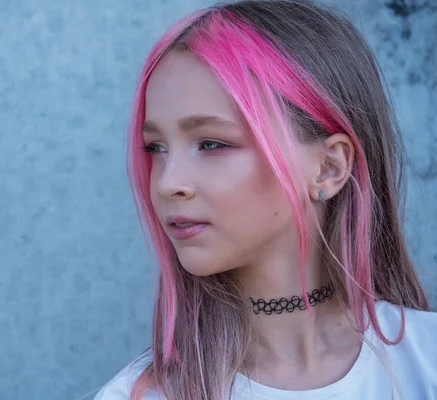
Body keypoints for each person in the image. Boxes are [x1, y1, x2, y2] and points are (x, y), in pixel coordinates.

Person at [95, 0, 437, 399]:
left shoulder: (426, 361)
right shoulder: (142, 394)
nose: (167, 183)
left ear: (328, 167)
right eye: (155, 148)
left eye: (211, 143)